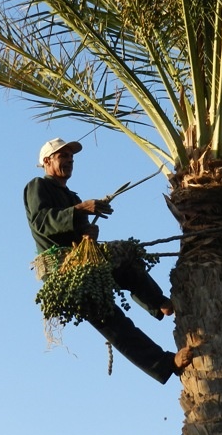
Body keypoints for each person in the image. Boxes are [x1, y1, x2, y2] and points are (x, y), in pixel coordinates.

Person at [23, 137, 193, 383]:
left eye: (71, 156)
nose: (69, 160)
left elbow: (78, 233)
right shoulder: (38, 186)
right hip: (63, 271)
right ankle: (166, 363)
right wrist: (81, 210)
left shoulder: (71, 196)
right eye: (63, 156)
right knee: (113, 322)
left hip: (84, 263)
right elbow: (41, 222)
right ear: (47, 161)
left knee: (126, 257)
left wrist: (90, 233)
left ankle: (160, 303)